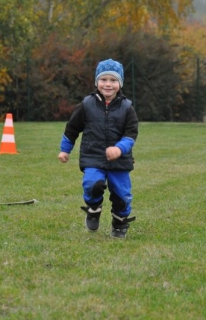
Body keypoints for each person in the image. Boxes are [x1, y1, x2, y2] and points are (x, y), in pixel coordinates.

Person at [58, 58, 139, 239]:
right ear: (97, 82)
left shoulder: (127, 108)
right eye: (103, 80)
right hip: (93, 156)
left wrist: (119, 149)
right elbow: (72, 129)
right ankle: (93, 209)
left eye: (113, 80)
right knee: (92, 184)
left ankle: (119, 223)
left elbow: (131, 134)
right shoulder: (86, 104)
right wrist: (65, 150)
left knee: (122, 194)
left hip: (120, 160)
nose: (108, 84)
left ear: (120, 83)